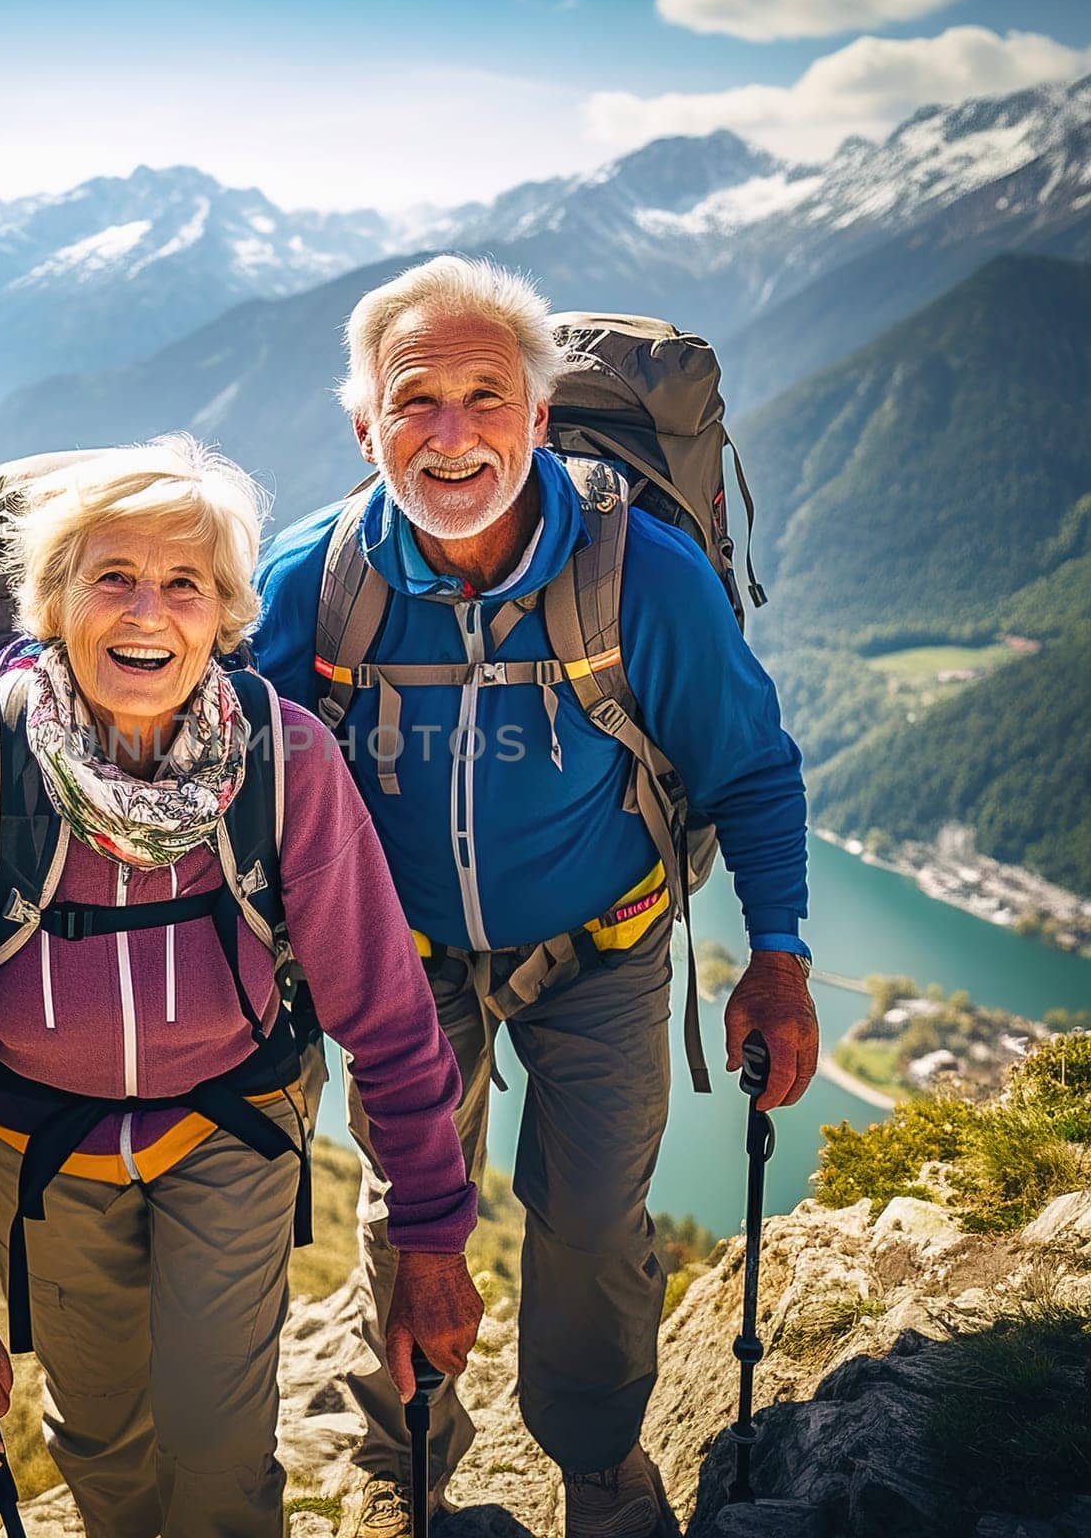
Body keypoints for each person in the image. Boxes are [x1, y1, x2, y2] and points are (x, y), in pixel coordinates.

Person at [252, 258, 818, 1538]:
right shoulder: (313, 585)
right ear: (364, 426)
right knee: (411, 1215)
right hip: (397, 970)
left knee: (589, 1226)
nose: (453, 435)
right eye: (416, 402)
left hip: (602, 951)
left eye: (485, 397)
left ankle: (599, 1455)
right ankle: (411, 1456)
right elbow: (240, 786)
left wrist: (775, 958)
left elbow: (750, 767)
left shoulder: (642, 574)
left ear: (540, 413)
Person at [0, 434, 483, 1538]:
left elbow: (384, 1015)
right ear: (54, 600)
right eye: (113, 578)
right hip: (42, 1151)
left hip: (230, 1132)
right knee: (99, 1438)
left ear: (224, 614)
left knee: (215, 1436)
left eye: (183, 584)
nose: (148, 613)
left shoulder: (284, 760)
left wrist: (431, 1233)